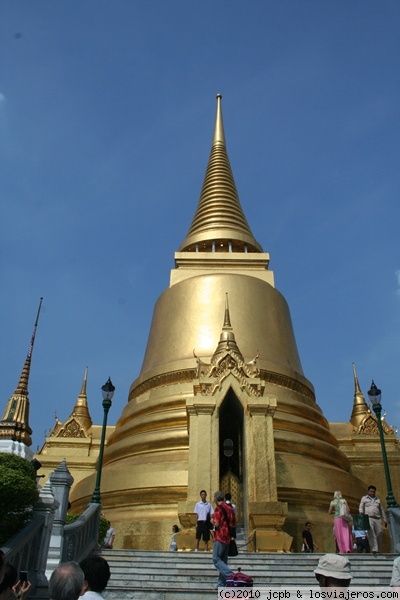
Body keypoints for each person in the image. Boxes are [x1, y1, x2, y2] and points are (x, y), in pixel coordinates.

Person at [212, 490, 236, 589]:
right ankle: (221, 584)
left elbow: (216, 523)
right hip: (228, 538)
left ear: (216, 499)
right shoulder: (230, 509)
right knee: (223, 561)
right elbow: (233, 523)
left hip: (220, 537)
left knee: (216, 559)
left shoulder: (218, 509)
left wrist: (211, 520)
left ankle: (231, 575)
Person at [359, 485, 386, 555]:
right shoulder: (364, 498)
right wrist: (361, 512)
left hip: (377, 518)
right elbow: (361, 506)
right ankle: (374, 549)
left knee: (379, 532)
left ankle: (378, 548)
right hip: (369, 517)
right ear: (368, 491)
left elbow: (381, 510)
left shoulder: (378, 500)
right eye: (371, 491)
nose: (372, 493)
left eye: (373, 492)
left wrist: (384, 519)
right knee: (371, 533)